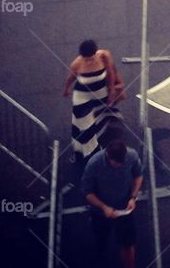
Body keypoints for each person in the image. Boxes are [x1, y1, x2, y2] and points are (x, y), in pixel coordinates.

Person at [82, 137, 143, 268]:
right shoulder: (94, 165)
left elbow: (138, 176)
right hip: (100, 212)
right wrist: (104, 207)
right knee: (101, 238)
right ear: (108, 156)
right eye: (116, 163)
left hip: (124, 208)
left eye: (122, 162)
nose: (120, 165)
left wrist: (133, 197)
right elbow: (88, 193)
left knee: (128, 242)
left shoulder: (131, 156)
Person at [63, 40, 125, 161]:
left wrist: (112, 90)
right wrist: (66, 90)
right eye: (86, 59)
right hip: (83, 95)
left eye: (91, 59)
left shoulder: (104, 56)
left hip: (99, 92)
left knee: (101, 114)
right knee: (84, 125)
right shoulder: (76, 64)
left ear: (95, 53)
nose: (88, 62)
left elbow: (111, 72)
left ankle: (100, 134)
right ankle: (87, 152)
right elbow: (70, 78)